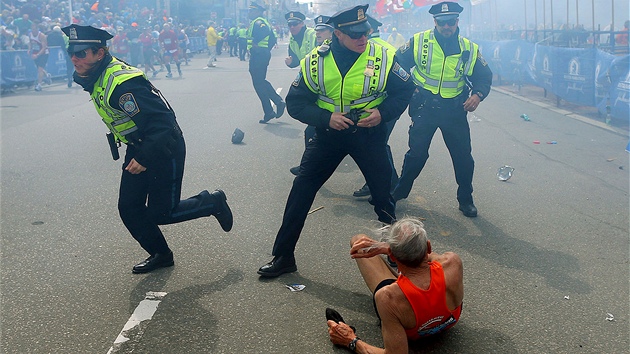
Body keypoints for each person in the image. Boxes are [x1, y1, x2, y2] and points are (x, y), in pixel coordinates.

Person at [257, 4, 415, 278]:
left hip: (368, 136)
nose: (362, 38)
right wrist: (325, 118)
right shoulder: (315, 60)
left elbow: (405, 89)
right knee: (301, 192)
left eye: (365, 32)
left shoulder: (382, 55)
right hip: (329, 137)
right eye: (355, 34)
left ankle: (396, 256)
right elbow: (295, 103)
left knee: (383, 199)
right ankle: (283, 256)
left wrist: (383, 113)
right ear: (337, 34)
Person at [61, 24, 233, 274]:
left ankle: (212, 202)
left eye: (82, 53)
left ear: (100, 53)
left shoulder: (122, 83)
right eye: (71, 53)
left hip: (163, 146)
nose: (75, 59)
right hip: (140, 144)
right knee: (129, 207)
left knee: (162, 212)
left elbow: (164, 123)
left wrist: (144, 156)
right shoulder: (97, 72)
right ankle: (161, 254)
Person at [391, 1, 493, 218]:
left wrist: (477, 95)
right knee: (417, 155)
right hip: (424, 107)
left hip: (454, 111)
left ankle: (466, 199)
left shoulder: (469, 48)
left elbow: (484, 77)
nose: (447, 26)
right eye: (442, 22)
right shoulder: (419, 41)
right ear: (435, 22)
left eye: (451, 22)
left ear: (457, 22)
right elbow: (397, 63)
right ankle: (399, 192)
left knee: (463, 157)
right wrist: (408, 86)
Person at [326, 217, 464, 353]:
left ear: (392, 256)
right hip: (448, 321)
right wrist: (391, 249)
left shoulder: (387, 297)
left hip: (413, 330)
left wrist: (351, 340)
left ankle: (402, 274)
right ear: (428, 246)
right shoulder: (453, 262)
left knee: (357, 240)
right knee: (413, 277)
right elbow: (426, 256)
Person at [352, 15, 401, 198]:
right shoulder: (389, 47)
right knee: (378, 145)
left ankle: (384, 185)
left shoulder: (373, 50)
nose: (358, 38)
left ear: (368, 32)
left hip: (381, 107)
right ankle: (387, 183)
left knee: (376, 145)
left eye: (360, 33)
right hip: (387, 106)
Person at [288, 14, 333, 176]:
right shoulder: (319, 50)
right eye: (317, 30)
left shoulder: (333, 50)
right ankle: (308, 168)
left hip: (340, 105)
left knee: (366, 152)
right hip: (324, 102)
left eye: (323, 30)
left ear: (332, 32)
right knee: (312, 133)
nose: (318, 34)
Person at [247, 2, 285, 124]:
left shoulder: (259, 22)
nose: (250, 13)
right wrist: (264, 50)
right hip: (260, 54)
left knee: (258, 83)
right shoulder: (259, 21)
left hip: (259, 55)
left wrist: (257, 46)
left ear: (258, 11)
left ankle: (272, 108)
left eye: (252, 11)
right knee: (260, 82)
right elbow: (273, 38)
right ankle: (274, 106)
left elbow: (266, 32)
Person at [29, 22, 51, 92]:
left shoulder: (41, 36)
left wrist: (37, 55)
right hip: (35, 52)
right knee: (39, 68)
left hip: (44, 53)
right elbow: (30, 42)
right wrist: (29, 49)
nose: (33, 30)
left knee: (40, 69)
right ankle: (47, 75)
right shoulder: (30, 34)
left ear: (37, 29)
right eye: (32, 29)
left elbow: (44, 47)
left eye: (34, 29)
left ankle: (39, 85)